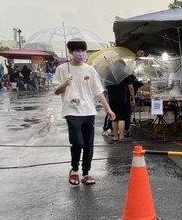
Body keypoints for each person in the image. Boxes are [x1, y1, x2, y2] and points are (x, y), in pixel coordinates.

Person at [53, 38, 115, 186]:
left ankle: (86, 173)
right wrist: (65, 84)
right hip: (71, 111)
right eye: (76, 51)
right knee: (77, 142)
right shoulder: (62, 69)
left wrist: (108, 109)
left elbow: (98, 92)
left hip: (88, 111)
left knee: (88, 144)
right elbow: (56, 91)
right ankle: (74, 170)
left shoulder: (90, 70)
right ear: (70, 52)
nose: (80, 53)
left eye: (82, 50)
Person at [106, 62, 135, 142]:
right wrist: (133, 98)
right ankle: (121, 136)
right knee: (122, 118)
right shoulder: (125, 75)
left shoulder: (109, 75)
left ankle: (115, 136)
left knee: (114, 118)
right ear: (123, 66)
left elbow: (106, 86)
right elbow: (131, 87)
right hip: (123, 100)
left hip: (112, 100)